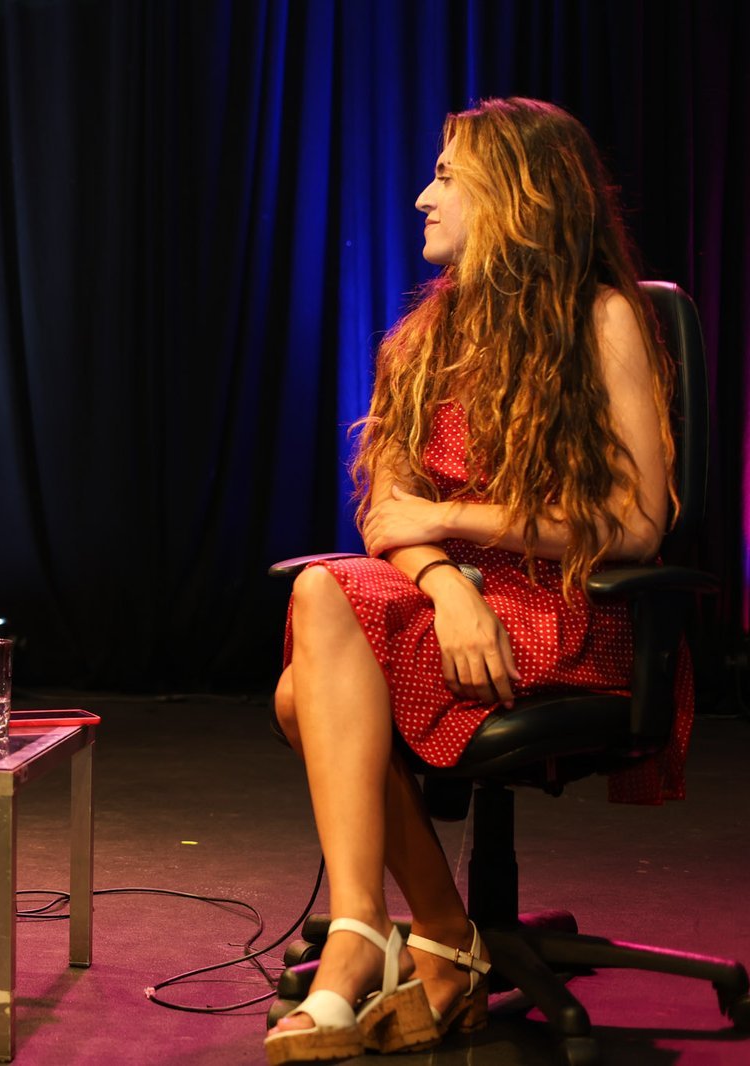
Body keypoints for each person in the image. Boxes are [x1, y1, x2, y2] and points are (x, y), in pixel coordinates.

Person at [263, 98, 684, 1064]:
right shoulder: (423, 341)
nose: (422, 196)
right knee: (323, 594)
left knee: (302, 694)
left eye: (447, 176)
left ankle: (393, 943)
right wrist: (449, 584)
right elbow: (386, 518)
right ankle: (410, 936)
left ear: (518, 195)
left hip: (566, 605)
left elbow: (635, 524)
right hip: (452, 607)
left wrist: (452, 524)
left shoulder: (601, 318)